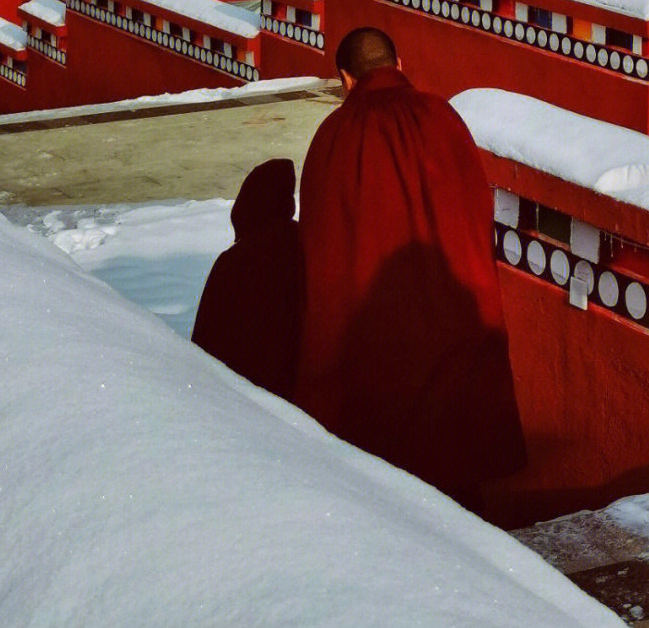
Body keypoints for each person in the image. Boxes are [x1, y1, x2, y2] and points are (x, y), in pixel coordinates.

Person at [295, 27, 525, 510]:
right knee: (462, 495)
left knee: (392, 506)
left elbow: (323, 254)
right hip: (456, 334)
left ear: (346, 79)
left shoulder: (333, 139)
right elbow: (477, 209)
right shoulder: (443, 118)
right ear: (398, 65)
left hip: (377, 355)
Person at [191, 157, 303, 400]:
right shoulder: (306, 247)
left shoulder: (232, 262)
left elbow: (205, 342)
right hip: (298, 391)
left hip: (240, 395)